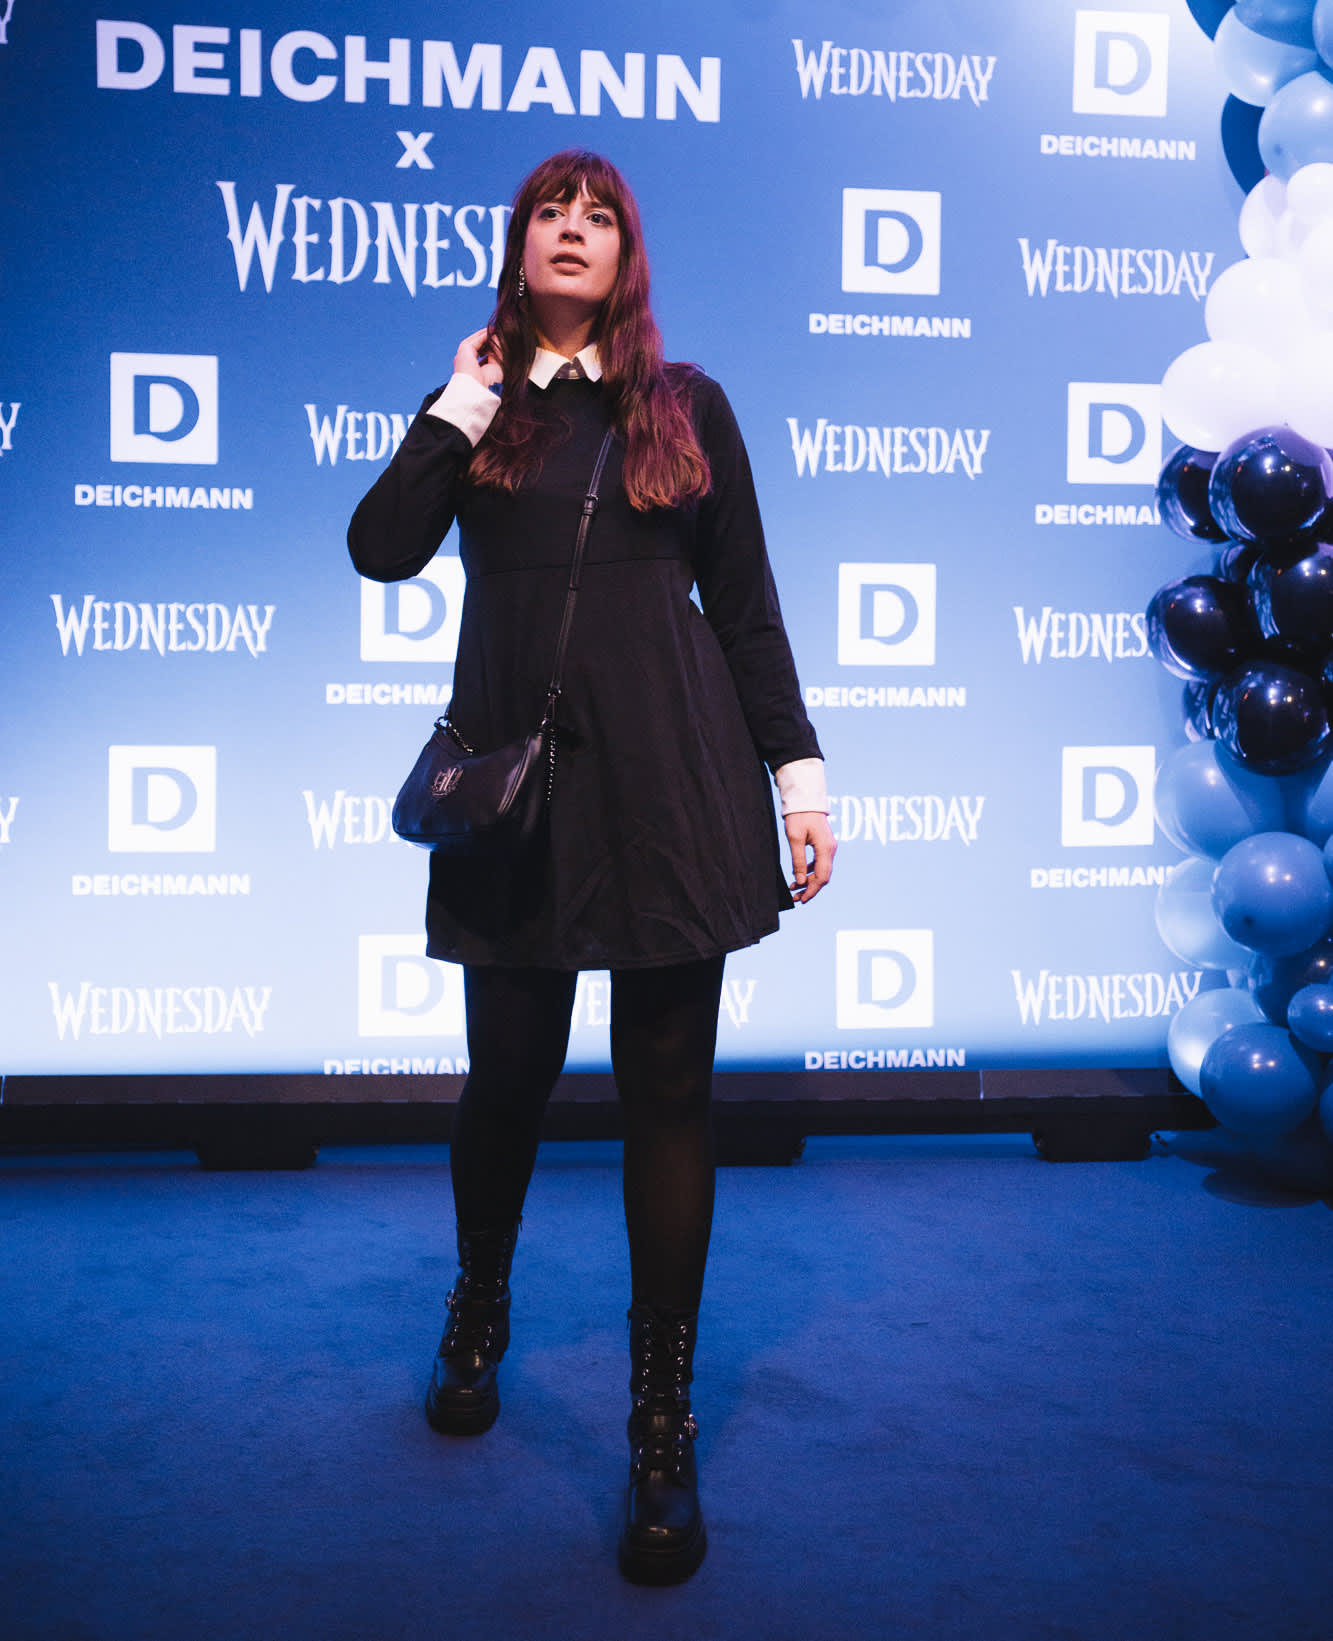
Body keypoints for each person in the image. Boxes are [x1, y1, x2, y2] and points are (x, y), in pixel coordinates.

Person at [347, 149, 834, 1586]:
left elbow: (746, 607)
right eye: (549, 214)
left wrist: (799, 777)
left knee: (668, 1095)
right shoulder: (480, 409)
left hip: (674, 783)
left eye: (598, 215)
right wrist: (459, 402)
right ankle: (479, 1308)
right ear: (518, 249)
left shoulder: (688, 406)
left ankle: (660, 1422)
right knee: (505, 1078)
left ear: (627, 255)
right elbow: (380, 548)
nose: (573, 229)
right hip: (519, 792)